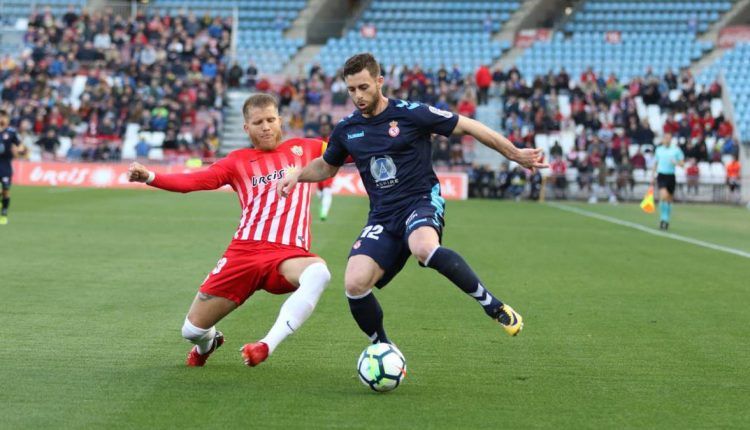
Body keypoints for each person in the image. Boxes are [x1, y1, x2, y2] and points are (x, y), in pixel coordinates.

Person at [278, 53, 547, 345]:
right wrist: (299, 175)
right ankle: (383, 348)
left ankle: (493, 306)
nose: (358, 95)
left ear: (380, 82)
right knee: (354, 283)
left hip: (419, 201)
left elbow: (467, 125)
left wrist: (514, 153)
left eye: (364, 87)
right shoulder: (347, 129)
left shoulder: (411, 114)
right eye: (352, 89)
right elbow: (328, 166)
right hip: (382, 215)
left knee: (423, 247)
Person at [127, 94, 331, 367]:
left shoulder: (308, 148)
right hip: (243, 253)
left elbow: (354, 147)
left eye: (271, 119)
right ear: (246, 128)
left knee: (319, 272)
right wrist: (151, 177)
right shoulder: (237, 161)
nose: (266, 127)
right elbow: (193, 181)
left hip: (287, 255)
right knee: (192, 330)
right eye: (258, 122)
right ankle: (208, 343)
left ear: (281, 121)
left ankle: (265, 346)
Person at [650, 133, 684, 230]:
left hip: (671, 176)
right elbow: (655, 163)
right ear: (663, 139)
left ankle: (666, 220)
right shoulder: (659, 150)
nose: (667, 140)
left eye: (669, 138)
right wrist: (652, 176)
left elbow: (682, 163)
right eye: (665, 138)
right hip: (662, 175)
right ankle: (663, 218)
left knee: (669, 199)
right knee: (663, 196)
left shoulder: (676, 150)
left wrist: (676, 163)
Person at [0, 110, 26, 225]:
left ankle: (4, 213)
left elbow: (20, 145)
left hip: (5, 165)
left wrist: (19, 149)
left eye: (4, 117)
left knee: (6, 190)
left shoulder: (11, 132)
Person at [316, 121, 335, 221]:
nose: (324, 130)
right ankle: (323, 207)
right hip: (317, 169)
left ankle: (324, 213)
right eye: (323, 128)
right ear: (320, 130)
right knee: (320, 192)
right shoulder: (316, 141)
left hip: (328, 169)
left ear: (329, 130)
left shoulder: (332, 141)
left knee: (327, 190)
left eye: (326, 128)